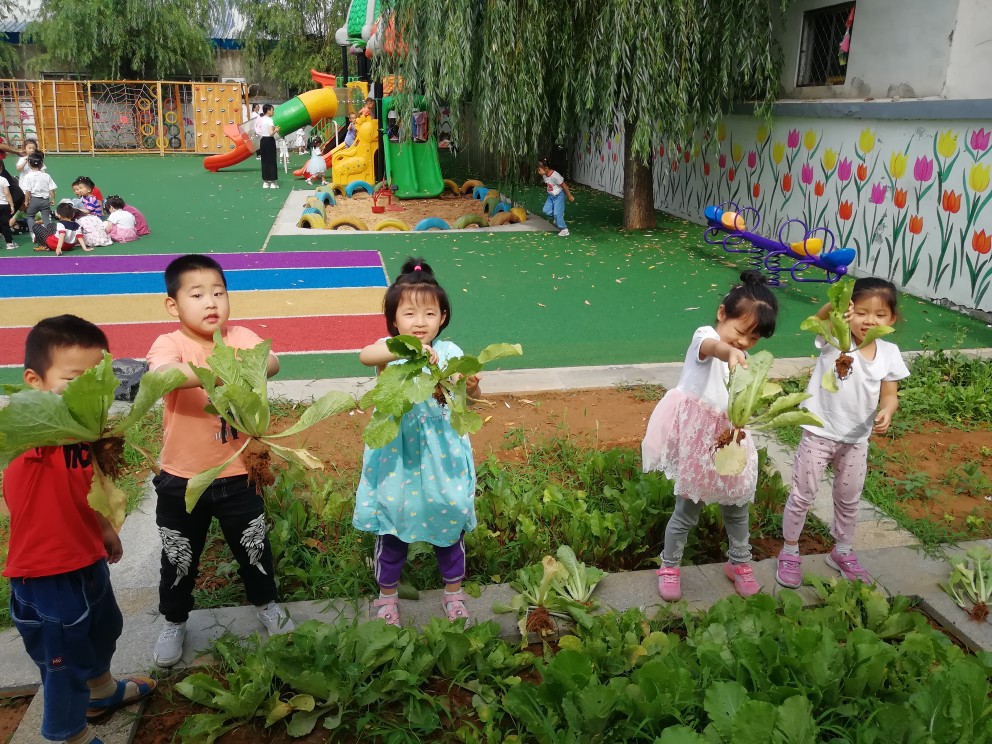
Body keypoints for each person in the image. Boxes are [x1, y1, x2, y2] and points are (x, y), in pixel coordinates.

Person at [4, 315, 156, 744]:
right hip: (46, 579)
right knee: (64, 660)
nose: (88, 392)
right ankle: (68, 732)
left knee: (103, 629)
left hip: (87, 558)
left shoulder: (81, 435)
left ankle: (101, 693)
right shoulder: (32, 440)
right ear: (35, 382)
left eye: (97, 381)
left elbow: (86, 487)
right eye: (74, 381)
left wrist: (104, 528)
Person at [146, 255, 294, 668]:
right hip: (181, 479)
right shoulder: (169, 343)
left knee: (254, 548)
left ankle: (266, 604)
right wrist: (222, 370)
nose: (211, 302)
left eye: (219, 292)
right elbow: (163, 375)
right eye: (197, 295)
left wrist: (236, 362)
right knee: (178, 556)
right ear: (173, 305)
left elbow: (271, 362)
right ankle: (174, 620)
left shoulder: (240, 337)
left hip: (239, 474)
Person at [354, 258, 479, 627]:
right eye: (409, 313)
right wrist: (406, 350)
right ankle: (387, 598)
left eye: (429, 313)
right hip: (398, 456)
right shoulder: (388, 350)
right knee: (393, 526)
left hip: (442, 456)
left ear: (443, 317)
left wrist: (471, 386)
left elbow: (467, 402)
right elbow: (365, 356)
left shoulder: (451, 353)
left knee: (449, 522)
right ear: (394, 320)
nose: (419, 322)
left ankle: (453, 594)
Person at [642, 271, 779, 601]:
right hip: (700, 443)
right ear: (721, 314)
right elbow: (712, 347)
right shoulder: (705, 337)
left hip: (730, 442)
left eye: (754, 338)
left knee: (737, 508)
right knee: (687, 509)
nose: (744, 343)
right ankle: (670, 566)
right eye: (740, 332)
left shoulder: (744, 358)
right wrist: (728, 352)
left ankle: (739, 563)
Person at [775, 278, 909, 588]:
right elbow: (817, 319)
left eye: (879, 315)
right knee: (802, 495)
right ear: (848, 312)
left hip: (856, 440)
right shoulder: (834, 338)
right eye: (861, 312)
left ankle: (842, 551)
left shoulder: (889, 352)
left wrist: (887, 410)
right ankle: (790, 551)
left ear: (891, 319)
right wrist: (834, 308)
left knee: (849, 499)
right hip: (818, 433)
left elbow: (890, 394)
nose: (869, 321)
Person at [537, 158, 574, 237]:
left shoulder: (555, 176)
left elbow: (564, 185)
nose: (538, 171)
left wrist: (569, 195)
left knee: (557, 213)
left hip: (558, 196)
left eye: (539, 169)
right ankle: (558, 217)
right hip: (550, 196)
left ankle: (564, 229)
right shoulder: (544, 175)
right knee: (546, 211)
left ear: (546, 168)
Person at [20, 153, 57, 227]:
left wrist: (26, 201)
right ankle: (49, 232)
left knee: (30, 216)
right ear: (42, 164)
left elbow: (28, 191)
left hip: (34, 200)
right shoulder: (47, 175)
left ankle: (32, 232)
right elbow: (51, 189)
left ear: (29, 164)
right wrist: (53, 199)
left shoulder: (28, 176)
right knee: (46, 218)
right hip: (45, 200)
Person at [254, 104, 280, 189]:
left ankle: (265, 182)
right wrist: (276, 130)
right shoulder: (270, 120)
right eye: (272, 110)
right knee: (272, 161)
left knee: (264, 161)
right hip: (269, 141)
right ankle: (272, 182)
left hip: (263, 141)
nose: (273, 112)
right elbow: (271, 133)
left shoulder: (261, 119)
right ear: (268, 111)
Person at [0, 169, 15, 249]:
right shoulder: (3, 180)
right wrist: (12, 205)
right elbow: (7, 193)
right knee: (5, 225)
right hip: (3, 204)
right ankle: (9, 243)